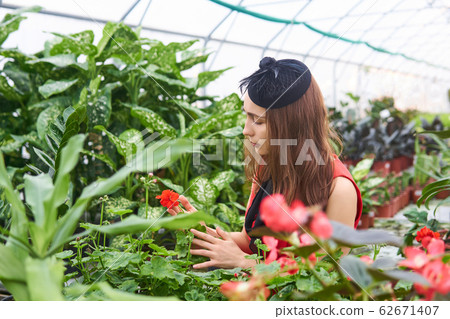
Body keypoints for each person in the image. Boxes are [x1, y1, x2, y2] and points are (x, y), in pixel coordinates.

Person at [168, 57, 362, 269]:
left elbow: (328, 273)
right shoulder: (267, 165)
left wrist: (243, 264)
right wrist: (202, 231)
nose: (246, 129)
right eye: (247, 116)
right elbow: (249, 241)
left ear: (292, 125)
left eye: (258, 120)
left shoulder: (339, 188)